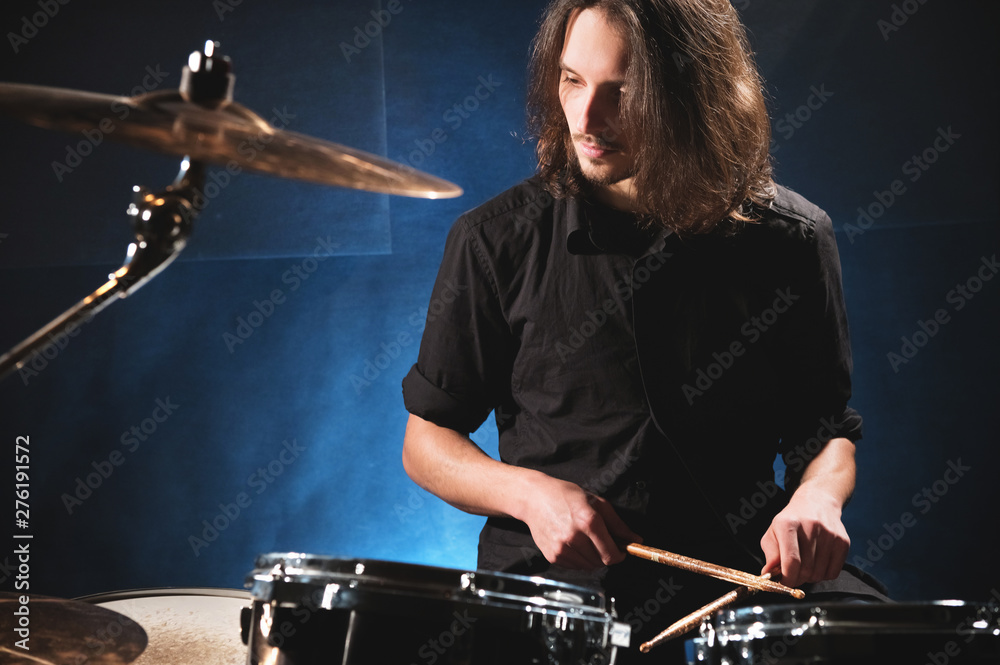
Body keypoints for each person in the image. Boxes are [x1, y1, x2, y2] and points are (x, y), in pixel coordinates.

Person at [401, 0, 887, 661]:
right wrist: (532, 493)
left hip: (741, 570)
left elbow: (824, 431)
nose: (585, 119)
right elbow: (427, 438)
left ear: (696, 95)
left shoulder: (791, 239)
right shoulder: (493, 242)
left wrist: (818, 501)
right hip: (562, 585)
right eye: (572, 80)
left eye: (622, 92)